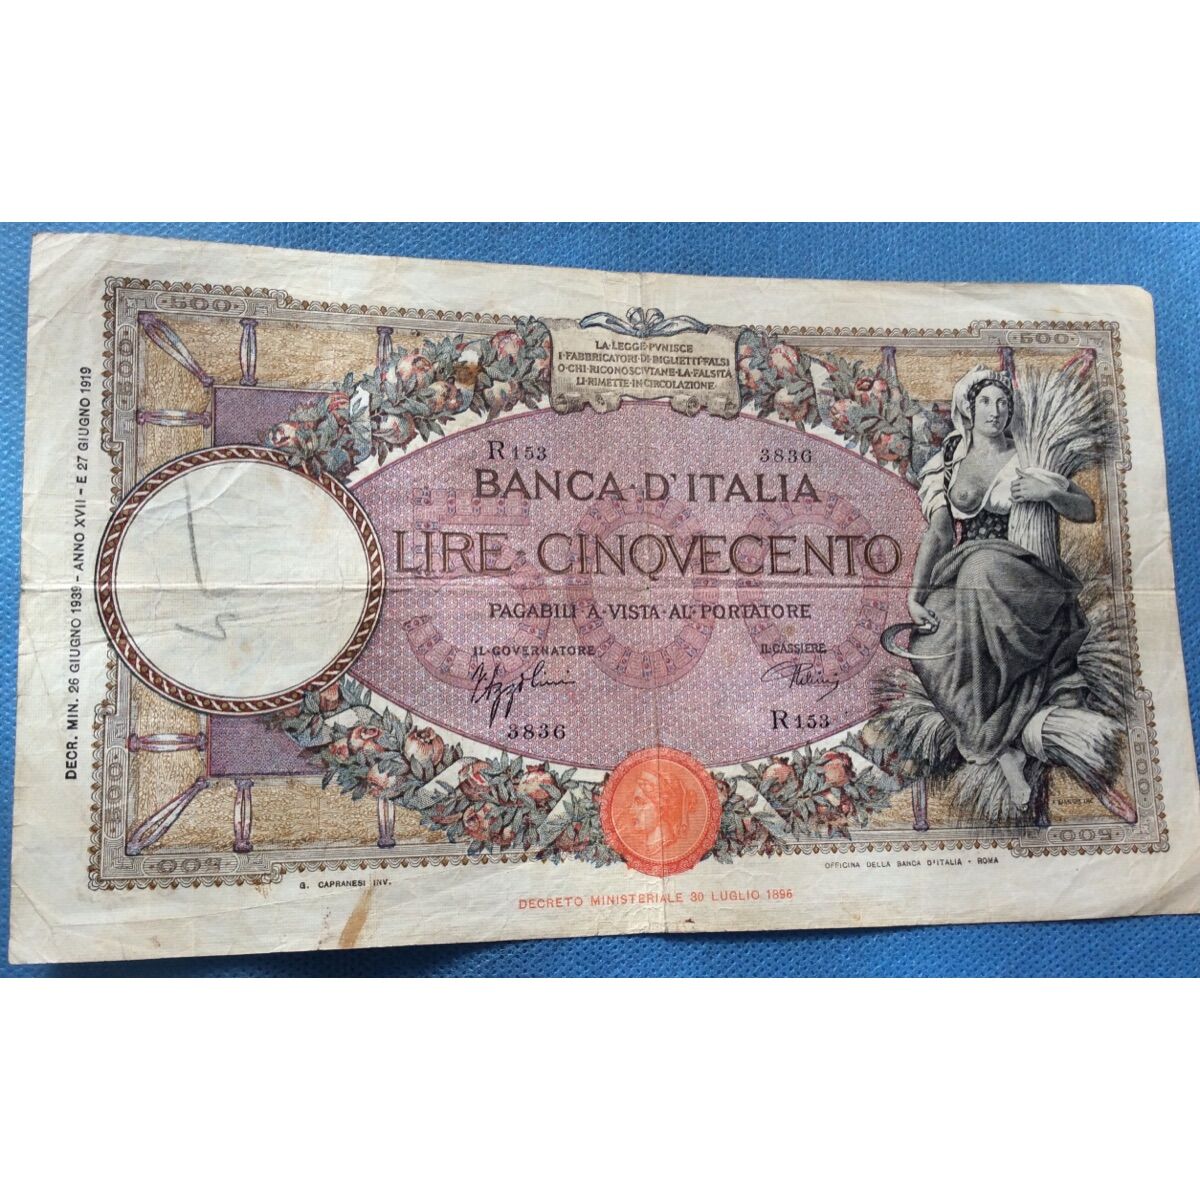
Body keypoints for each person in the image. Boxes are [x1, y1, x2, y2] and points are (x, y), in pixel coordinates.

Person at [904, 367, 1096, 809]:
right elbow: (939, 534)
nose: (996, 410)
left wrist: (1049, 493)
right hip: (965, 574)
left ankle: (1006, 725)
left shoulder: (1028, 455)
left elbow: (1086, 510)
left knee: (982, 568)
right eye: (986, 402)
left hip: (1024, 574)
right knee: (928, 640)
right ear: (968, 409)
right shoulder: (948, 460)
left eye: (1004, 402)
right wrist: (915, 595)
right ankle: (1004, 750)